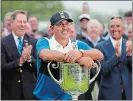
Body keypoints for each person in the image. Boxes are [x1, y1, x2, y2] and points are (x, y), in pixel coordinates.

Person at [33, 11, 103, 100]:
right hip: (44, 98)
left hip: (70, 98)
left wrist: (80, 53)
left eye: (67, 24)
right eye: (60, 24)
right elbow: (46, 55)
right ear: (52, 28)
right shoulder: (44, 41)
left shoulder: (77, 44)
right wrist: (78, 59)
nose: (65, 27)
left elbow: (99, 54)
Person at [1, 10, 37, 100]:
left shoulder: (33, 41)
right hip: (10, 93)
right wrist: (20, 61)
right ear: (12, 23)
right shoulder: (3, 43)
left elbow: (39, 68)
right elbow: (2, 69)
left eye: (24, 22)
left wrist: (30, 59)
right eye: (19, 21)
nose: (22, 24)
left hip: (30, 94)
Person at [96, 16, 132, 100]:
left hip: (128, 94)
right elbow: (102, 70)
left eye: (118, 26)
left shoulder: (129, 45)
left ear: (123, 28)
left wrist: (129, 55)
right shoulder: (100, 46)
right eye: (112, 26)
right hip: (108, 95)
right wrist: (116, 56)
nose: (115, 29)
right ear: (108, 29)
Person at [82, 19, 105, 100]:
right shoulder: (82, 43)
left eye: (96, 27)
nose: (93, 29)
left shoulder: (105, 42)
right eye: (91, 27)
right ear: (87, 29)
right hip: (87, 73)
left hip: (103, 73)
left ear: (100, 29)